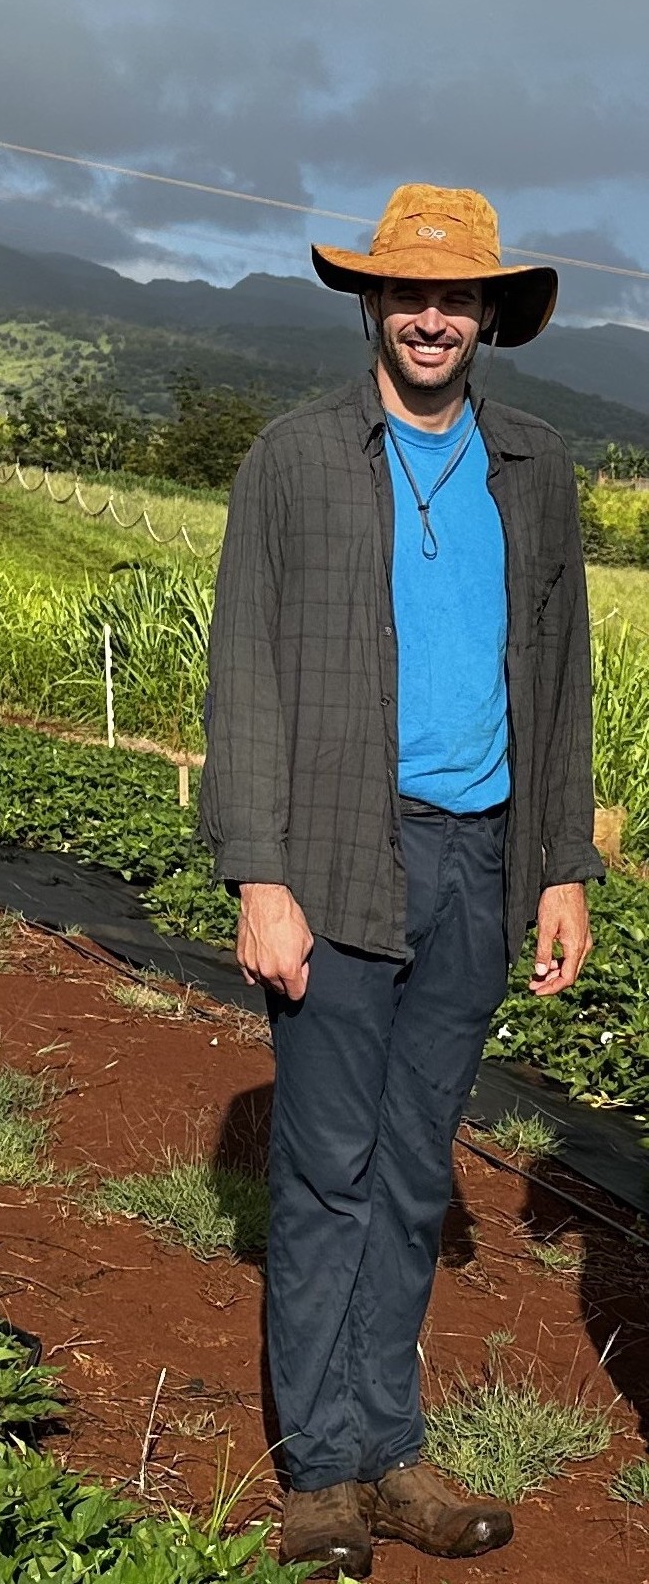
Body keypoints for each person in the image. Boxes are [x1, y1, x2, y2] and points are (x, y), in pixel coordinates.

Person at [200, 184, 601, 1577]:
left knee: (416, 1170)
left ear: (490, 313)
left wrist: (562, 864)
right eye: (408, 292)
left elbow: (561, 686)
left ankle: (391, 1451)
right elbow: (242, 672)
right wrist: (259, 870)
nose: (432, 317)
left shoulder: (534, 469)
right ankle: (320, 1474)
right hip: (334, 855)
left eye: (457, 295)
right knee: (327, 1169)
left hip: (480, 863)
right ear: (372, 303)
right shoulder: (297, 460)